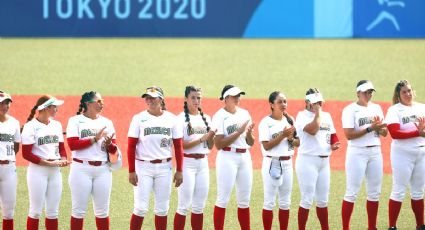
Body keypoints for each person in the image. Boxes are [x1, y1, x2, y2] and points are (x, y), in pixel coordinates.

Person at [128, 86, 184, 230]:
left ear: (161, 99)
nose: (149, 100)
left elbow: (178, 146)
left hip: (165, 167)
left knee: (162, 209)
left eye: (153, 97)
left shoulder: (172, 119)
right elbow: (131, 146)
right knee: (140, 208)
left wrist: (180, 170)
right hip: (143, 167)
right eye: (147, 97)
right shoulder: (139, 118)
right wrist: (131, 170)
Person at [66, 91, 117, 230]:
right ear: (88, 104)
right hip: (81, 169)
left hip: (103, 170)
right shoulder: (75, 121)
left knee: (102, 212)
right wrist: (94, 139)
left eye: (102, 101)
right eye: (98, 101)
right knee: (78, 211)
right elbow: (72, 144)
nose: (102, 104)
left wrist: (109, 145)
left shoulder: (107, 122)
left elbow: (114, 150)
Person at [340, 80, 387, 230]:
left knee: (374, 193)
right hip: (357, 152)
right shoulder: (350, 110)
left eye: (371, 92)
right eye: (366, 92)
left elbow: (385, 132)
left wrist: (379, 128)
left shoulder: (377, 108)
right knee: (351, 192)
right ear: (358, 93)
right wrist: (370, 128)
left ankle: (372, 227)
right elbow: (348, 135)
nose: (369, 95)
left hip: (375, 152)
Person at [21, 95, 70, 230]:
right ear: (46, 108)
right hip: (38, 172)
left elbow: (61, 149)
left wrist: (63, 159)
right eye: (54, 106)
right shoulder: (30, 127)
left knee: (53, 212)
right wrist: (48, 163)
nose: (57, 109)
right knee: (35, 211)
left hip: (55, 172)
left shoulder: (57, 125)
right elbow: (26, 154)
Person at [295, 88, 340, 230]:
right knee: (307, 199)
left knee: (322, 201)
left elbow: (332, 133)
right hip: (307, 161)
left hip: (324, 162)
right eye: (315, 102)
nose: (318, 105)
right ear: (307, 102)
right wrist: (318, 112)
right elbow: (314, 130)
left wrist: (335, 143)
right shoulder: (301, 116)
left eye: (320, 102)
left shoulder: (327, 115)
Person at [212, 85, 255, 230]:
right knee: (223, 199)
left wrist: (248, 134)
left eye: (239, 96)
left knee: (244, 201)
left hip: (245, 157)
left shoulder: (245, 113)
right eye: (235, 96)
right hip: (227, 157)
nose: (238, 98)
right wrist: (238, 132)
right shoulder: (219, 116)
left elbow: (251, 142)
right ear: (226, 98)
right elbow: (218, 144)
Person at [385, 80, 425, 230]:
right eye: (404, 92)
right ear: (398, 95)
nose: (408, 94)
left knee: (418, 191)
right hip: (402, 154)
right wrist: (418, 132)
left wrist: (422, 134)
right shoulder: (394, 110)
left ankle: (420, 225)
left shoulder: (422, 108)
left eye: (409, 91)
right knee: (399, 190)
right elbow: (395, 133)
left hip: (422, 153)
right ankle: (392, 226)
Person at [173, 86, 215, 230]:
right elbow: (180, 145)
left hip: (203, 163)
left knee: (199, 207)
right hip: (187, 163)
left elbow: (210, 146)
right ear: (186, 99)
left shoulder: (207, 118)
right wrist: (202, 139)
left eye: (199, 98)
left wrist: (211, 138)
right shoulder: (179, 119)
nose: (196, 101)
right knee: (183, 206)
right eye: (193, 97)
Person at [258, 91, 299, 230]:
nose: (283, 104)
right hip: (271, 163)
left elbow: (298, 143)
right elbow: (266, 146)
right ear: (271, 104)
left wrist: (291, 139)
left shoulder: (290, 120)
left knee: (285, 203)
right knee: (269, 202)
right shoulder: (266, 122)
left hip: (288, 163)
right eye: (280, 101)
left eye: (285, 101)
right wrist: (282, 135)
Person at [0, 91, 20, 230]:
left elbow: (16, 146)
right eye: (1, 103)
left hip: (9, 169)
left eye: (6, 103)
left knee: (8, 211)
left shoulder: (14, 122)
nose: (4, 105)